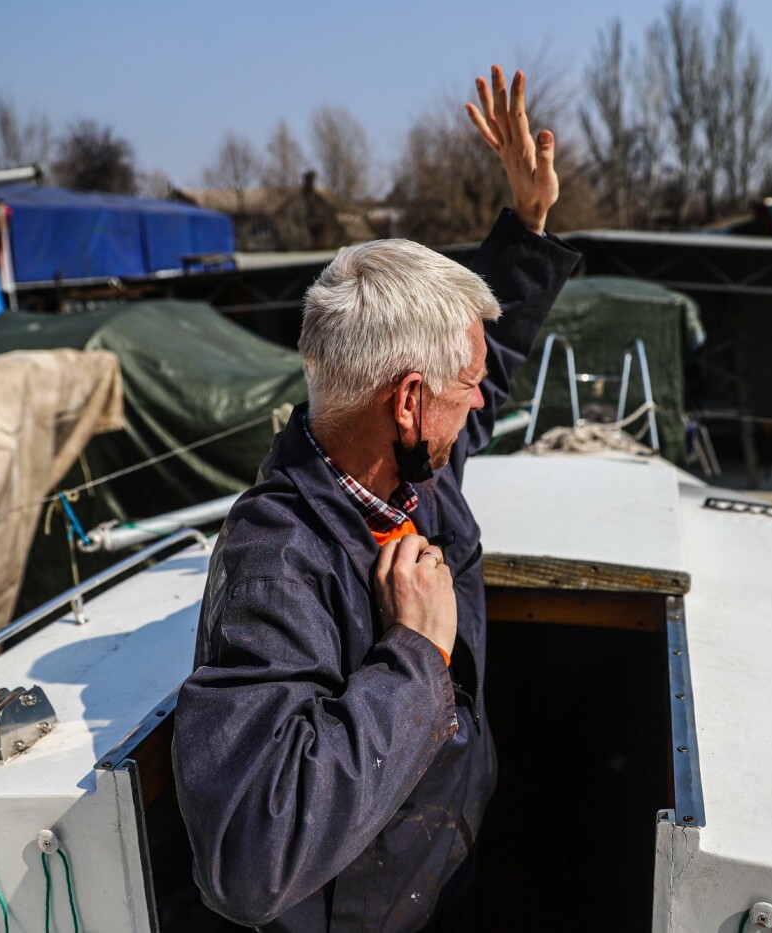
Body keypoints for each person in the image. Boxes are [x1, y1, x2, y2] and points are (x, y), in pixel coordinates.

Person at [172, 66, 580, 932]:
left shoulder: (403, 468)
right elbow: (250, 856)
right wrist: (415, 655)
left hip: (437, 869)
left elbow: (488, 373)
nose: (481, 402)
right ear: (406, 401)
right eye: (461, 387)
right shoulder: (276, 565)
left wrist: (527, 224)